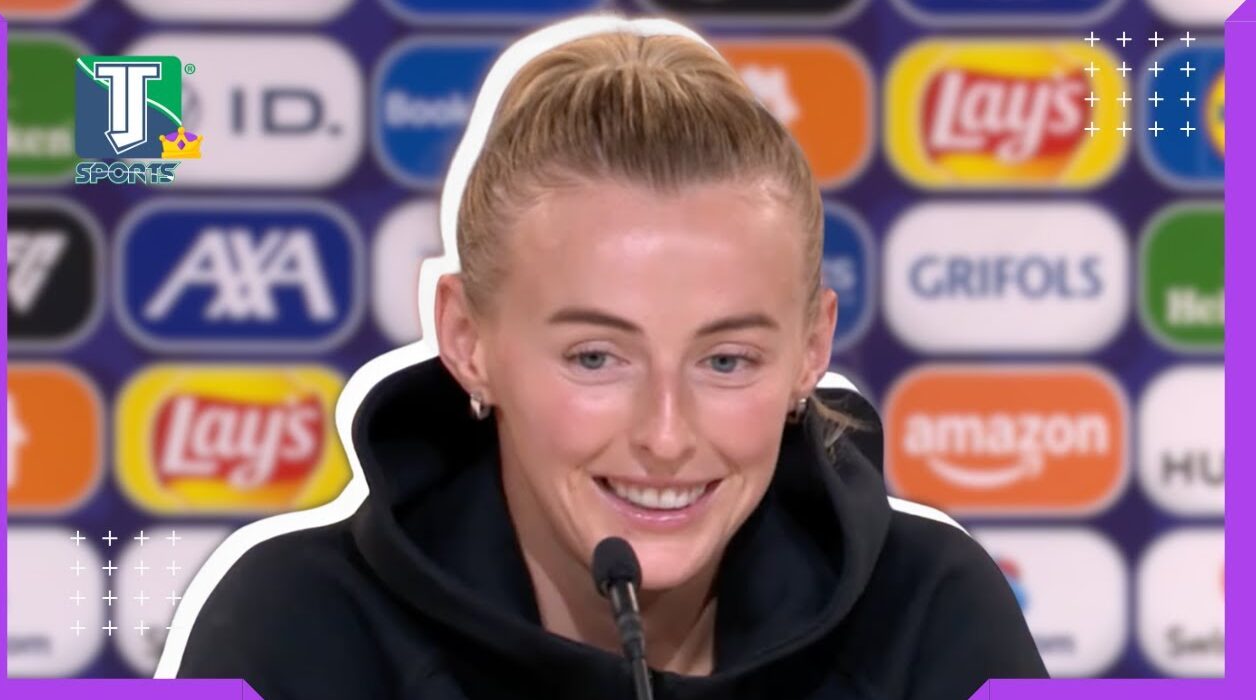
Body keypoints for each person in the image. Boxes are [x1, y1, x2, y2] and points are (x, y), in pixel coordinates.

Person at [169, 18, 1047, 700]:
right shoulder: (291, 626)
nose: (665, 437)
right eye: (595, 358)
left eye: (727, 361)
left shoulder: (932, 614)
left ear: (811, 350)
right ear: (467, 341)